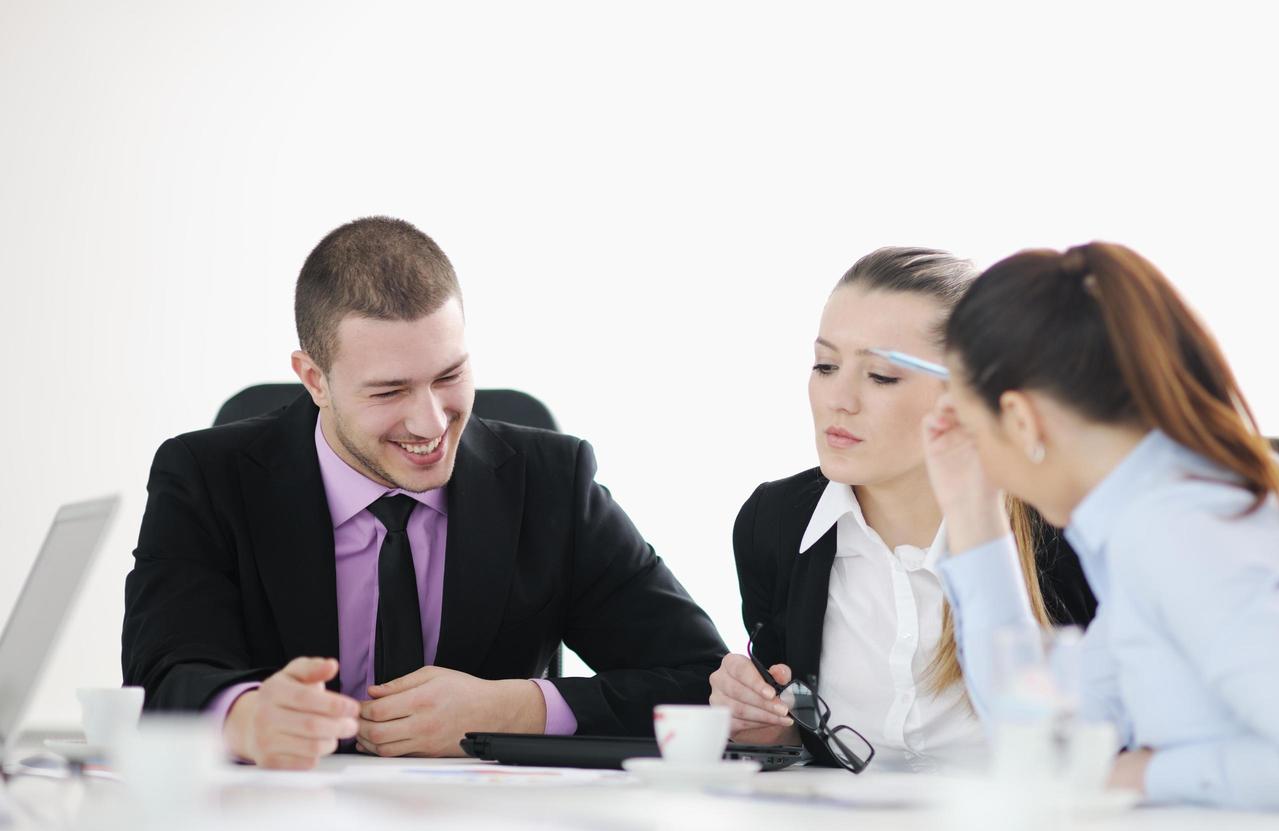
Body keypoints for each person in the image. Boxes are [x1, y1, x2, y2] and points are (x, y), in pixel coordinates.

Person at [122, 217, 725, 769]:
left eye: (449, 376)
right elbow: (160, 675)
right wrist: (247, 717)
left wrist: (513, 709)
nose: (432, 423)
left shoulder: (552, 482)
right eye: (389, 392)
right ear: (315, 380)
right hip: (273, 829)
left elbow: (701, 680)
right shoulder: (204, 477)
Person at [923, 241, 1279, 811]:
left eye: (975, 429)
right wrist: (971, 508)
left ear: (1021, 420)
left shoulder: (1178, 534)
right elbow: (1040, 742)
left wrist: (1140, 775)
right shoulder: (1147, 524)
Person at [709, 247, 1094, 770]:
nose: (838, 399)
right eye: (825, 365)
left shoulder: (1064, 526)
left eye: (881, 376)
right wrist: (764, 729)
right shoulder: (774, 525)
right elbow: (804, 742)